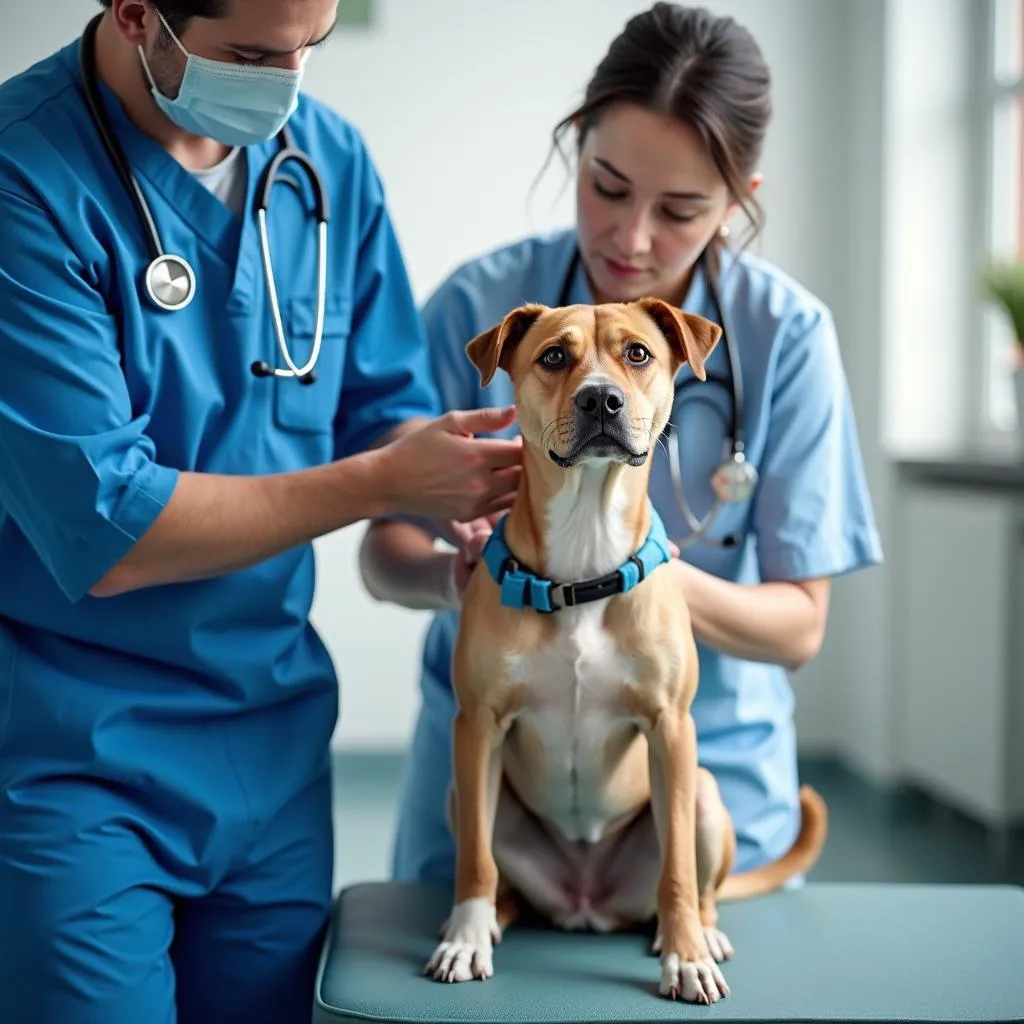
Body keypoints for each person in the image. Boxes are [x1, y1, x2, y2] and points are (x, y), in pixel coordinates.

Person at [0, 1, 521, 1022]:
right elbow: (107, 526)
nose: (287, 85)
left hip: (272, 748)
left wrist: (444, 556)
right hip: (74, 757)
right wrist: (381, 483)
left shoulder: (324, 165)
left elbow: (386, 425)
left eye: (308, 51)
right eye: (252, 55)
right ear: (138, 14)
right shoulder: (25, 178)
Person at [359, 2, 884, 891]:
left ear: (738, 202)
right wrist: (452, 572)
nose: (633, 239)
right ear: (576, 147)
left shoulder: (785, 335)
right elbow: (385, 549)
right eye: (607, 187)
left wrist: (623, 573)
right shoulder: (483, 303)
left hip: (697, 774)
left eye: (682, 209)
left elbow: (800, 625)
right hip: (499, 792)